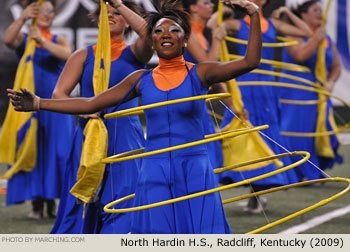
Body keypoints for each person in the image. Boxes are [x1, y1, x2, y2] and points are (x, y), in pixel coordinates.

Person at [8, 0, 262, 234]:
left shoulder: (201, 72)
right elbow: (92, 102)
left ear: (186, 41)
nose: (166, 35)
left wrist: (253, 13)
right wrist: (40, 103)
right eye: (159, 31)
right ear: (152, 42)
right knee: (156, 235)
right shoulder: (141, 79)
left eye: (174, 30)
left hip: (194, 166)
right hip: (154, 168)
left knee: (202, 232)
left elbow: (250, 61)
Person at [50, 0, 152, 234]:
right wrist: (84, 110)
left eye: (117, 13)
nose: (112, 16)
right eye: (107, 13)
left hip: (125, 135)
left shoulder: (134, 53)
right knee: (82, 198)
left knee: (124, 197)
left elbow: (148, 34)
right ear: (97, 20)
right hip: (88, 134)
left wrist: (120, 4)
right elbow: (59, 93)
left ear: (128, 21)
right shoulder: (82, 55)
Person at [212, 0, 313, 214]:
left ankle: (260, 191)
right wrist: (223, 16)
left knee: (264, 137)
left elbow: (305, 32)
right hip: (244, 87)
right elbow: (213, 23)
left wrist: (287, 12)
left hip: (266, 89)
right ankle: (254, 189)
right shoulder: (238, 24)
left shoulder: (274, 24)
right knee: (242, 136)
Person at [1, 0, 75, 219]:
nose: (45, 15)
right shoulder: (25, 39)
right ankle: (37, 203)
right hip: (29, 107)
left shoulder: (56, 39)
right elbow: (7, 40)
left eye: (50, 11)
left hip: (56, 107)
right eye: (40, 11)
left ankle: (55, 202)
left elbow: (66, 54)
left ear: (55, 15)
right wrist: (22, 18)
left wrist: (41, 39)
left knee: (59, 153)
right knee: (33, 152)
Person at [278, 0, 343, 181]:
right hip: (296, 88)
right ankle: (295, 172)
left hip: (319, 89)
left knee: (318, 129)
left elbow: (336, 66)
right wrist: (316, 38)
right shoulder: (294, 34)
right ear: (303, 15)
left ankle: (313, 170)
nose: (319, 14)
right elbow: (300, 55)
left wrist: (330, 81)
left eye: (320, 10)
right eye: (315, 10)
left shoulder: (326, 38)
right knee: (297, 130)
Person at [182, 0, 229, 171]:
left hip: (198, 101)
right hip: (188, 100)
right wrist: (217, 37)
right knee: (201, 152)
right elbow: (208, 63)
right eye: (206, 2)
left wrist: (232, 104)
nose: (211, 5)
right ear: (193, 7)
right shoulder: (189, 32)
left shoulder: (200, 33)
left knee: (209, 150)